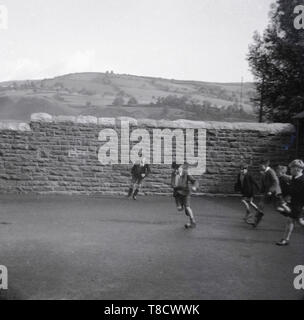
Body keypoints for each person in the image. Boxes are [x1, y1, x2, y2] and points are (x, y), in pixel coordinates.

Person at [276, 160, 304, 246]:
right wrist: (282, 175)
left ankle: (285, 239)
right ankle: (286, 239)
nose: (290, 170)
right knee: (292, 220)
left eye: (291, 168)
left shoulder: (302, 180)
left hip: (299, 204)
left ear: (297, 169)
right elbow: (288, 177)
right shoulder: (294, 178)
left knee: (296, 221)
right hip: (294, 203)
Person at [252, 159, 282, 227]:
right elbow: (264, 183)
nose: (259, 167)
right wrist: (261, 191)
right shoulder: (264, 172)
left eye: (260, 165)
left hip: (274, 192)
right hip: (267, 192)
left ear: (265, 165)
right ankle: (256, 221)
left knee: (277, 208)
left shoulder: (271, 171)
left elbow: (276, 182)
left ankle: (291, 214)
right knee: (260, 204)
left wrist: (270, 191)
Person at [171, 163, 198, 229]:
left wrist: (194, 187)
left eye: (178, 168)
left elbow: (194, 181)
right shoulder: (173, 174)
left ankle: (192, 222)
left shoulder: (186, 173)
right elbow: (172, 184)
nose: (176, 170)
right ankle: (184, 208)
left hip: (185, 193)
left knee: (187, 207)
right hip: (177, 194)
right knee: (179, 209)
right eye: (175, 169)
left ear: (181, 167)